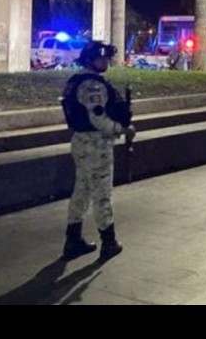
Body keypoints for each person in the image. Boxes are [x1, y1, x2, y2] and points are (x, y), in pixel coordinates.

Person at [61, 41, 135, 262]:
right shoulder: (92, 85)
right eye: (101, 57)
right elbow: (98, 119)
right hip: (96, 145)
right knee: (102, 195)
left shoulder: (76, 81)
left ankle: (73, 241)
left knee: (82, 191)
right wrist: (122, 129)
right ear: (90, 59)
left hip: (81, 143)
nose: (106, 61)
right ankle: (109, 243)